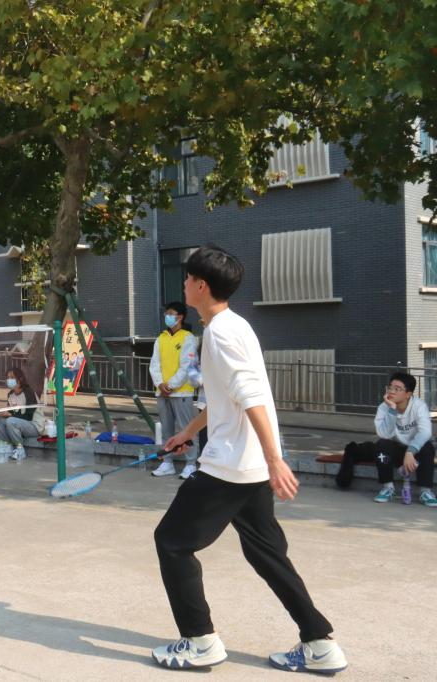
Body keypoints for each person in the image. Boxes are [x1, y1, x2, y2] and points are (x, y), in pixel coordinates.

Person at [153, 246, 345, 673]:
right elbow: (228, 399)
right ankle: (320, 644)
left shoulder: (220, 334)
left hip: (231, 466)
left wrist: (276, 459)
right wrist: (188, 432)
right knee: (267, 554)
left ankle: (200, 641)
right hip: (249, 465)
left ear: (201, 286)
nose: (184, 284)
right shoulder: (234, 326)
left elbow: (252, 395)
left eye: (187, 278)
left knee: (172, 542)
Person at [335, 372, 436, 507]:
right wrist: (392, 409)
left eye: (397, 389)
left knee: (428, 447)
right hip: (395, 450)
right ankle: (388, 488)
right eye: (390, 387)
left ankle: (425, 491)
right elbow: (384, 434)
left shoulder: (419, 406)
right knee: (382, 444)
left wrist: (411, 451)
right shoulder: (384, 407)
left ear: (408, 394)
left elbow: (425, 432)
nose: (391, 391)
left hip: (414, 452)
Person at [149, 301, 200, 479]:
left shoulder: (188, 338)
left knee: (187, 428)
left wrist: (170, 385)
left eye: (171, 313)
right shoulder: (161, 338)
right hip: (162, 392)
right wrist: (160, 383)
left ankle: (191, 464)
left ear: (180, 317)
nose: (167, 317)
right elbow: (154, 364)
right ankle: (167, 462)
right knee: (166, 429)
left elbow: (187, 366)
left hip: (181, 391)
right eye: (166, 313)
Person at [0, 367, 44, 461]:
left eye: (12, 377)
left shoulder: (29, 392)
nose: (9, 380)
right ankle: (8, 447)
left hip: (34, 426)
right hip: (18, 424)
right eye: (8, 378)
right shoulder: (10, 394)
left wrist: (10, 415)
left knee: (11, 421)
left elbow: (28, 416)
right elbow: (11, 412)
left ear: (20, 379)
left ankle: (20, 450)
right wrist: (3, 413)